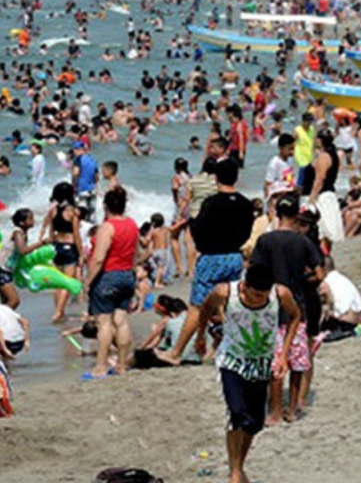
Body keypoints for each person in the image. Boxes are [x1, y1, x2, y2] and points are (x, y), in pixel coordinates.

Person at [198, 263, 301, 483]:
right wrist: (200, 338)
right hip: (231, 360)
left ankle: (240, 466)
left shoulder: (280, 294)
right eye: (255, 295)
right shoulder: (225, 292)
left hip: (261, 363)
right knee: (236, 413)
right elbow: (205, 309)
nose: (258, 300)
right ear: (244, 287)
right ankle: (234, 473)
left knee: (253, 423)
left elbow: (295, 316)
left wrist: (283, 355)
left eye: (263, 296)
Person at [157, 159, 254, 366]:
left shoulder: (211, 203)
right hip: (235, 256)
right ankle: (234, 348)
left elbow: (198, 231)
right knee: (230, 303)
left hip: (212, 256)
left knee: (197, 307)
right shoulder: (246, 203)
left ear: (216, 177)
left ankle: (177, 352)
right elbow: (247, 232)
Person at [250, 193, 325, 424]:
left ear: (277, 214)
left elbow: (254, 272)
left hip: (270, 306)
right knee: (296, 362)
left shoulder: (265, 241)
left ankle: (273, 412)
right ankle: (292, 409)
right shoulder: (303, 242)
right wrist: (302, 280)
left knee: (275, 362)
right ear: (296, 215)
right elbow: (320, 274)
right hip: (297, 307)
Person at [84, 186, 139, 379]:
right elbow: (135, 254)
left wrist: (88, 282)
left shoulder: (107, 227)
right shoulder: (132, 224)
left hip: (108, 275)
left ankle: (100, 366)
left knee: (104, 323)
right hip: (127, 275)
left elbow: (99, 258)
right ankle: (122, 365)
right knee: (121, 320)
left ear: (105, 206)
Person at [40, 183, 84, 323]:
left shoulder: (52, 211)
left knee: (58, 283)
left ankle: (60, 311)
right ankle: (58, 312)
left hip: (57, 247)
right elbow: (77, 235)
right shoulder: (73, 212)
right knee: (67, 283)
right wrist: (82, 254)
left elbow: (51, 232)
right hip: (70, 248)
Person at [0, 208, 46, 309]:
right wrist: (42, 243)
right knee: (14, 301)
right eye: (30, 219)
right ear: (22, 222)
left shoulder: (22, 232)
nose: (33, 221)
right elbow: (23, 250)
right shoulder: (17, 233)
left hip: (4, 270)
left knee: (5, 302)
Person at [305, 130, 345, 250]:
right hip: (329, 194)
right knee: (327, 228)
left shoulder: (324, 156)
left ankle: (323, 255)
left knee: (322, 228)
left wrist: (312, 197)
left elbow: (320, 178)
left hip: (322, 195)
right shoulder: (334, 155)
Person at [71, 140, 100, 220]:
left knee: (80, 213)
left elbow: (76, 173)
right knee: (92, 213)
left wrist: (74, 186)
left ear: (78, 150)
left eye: (74, 150)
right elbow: (97, 177)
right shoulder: (92, 160)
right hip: (92, 190)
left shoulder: (78, 159)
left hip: (82, 189)